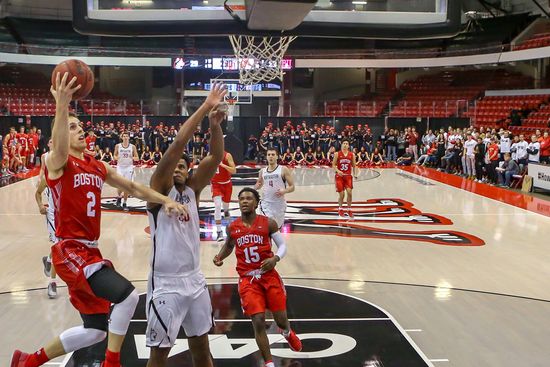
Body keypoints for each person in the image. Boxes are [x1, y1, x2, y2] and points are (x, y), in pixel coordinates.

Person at [11, 72, 188, 367]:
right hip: (69, 249)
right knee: (129, 297)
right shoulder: (57, 163)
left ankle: (29, 360)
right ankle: (112, 363)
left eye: (80, 126)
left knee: (94, 330)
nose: (79, 130)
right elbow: (57, 146)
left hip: (90, 250)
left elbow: (133, 187)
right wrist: (62, 106)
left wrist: (166, 199)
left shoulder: (97, 165)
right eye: (72, 127)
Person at [145, 84, 227, 367]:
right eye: (174, 166)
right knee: (158, 357)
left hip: (195, 279)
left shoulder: (193, 189)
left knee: (202, 350)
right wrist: (205, 108)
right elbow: (178, 144)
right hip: (165, 285)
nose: (177, 169)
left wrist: (215, 125)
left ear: (188, 170)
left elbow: (215, 158)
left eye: (183, 166)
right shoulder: (158, 190)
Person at [213, 188, 302, 367]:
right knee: (258, 320)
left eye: (248, 198)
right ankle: (268, 363)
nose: (244, 201)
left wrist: (275, 258)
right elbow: (229, 246)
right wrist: (220, 257)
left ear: (256, 203)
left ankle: (286, 332)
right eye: (241, 199)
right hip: (247, 280)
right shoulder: (233, 227)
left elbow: (282, 246)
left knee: (280, 320)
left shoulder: (268, 223)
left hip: (268, 276)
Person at [34, 139, 58, 298]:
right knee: (58, 246)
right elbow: (37, 193)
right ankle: (52, 283)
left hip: (66, 213)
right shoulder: (47, 175)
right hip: (53, 214)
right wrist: (40, 206)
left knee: (62, 246)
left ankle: (48, 259)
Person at [255, 148, 295, 228]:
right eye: (269, 155)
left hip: (279, 204)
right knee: (268, 226)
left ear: (277, 157)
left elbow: (292, 187)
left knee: (277, 229)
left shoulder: (283, 169)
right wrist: (256, 187)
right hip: (266, 204)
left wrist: (284, 191)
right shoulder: (262, 171)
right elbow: (258, 185)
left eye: (273, 155)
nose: (271, 157)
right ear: (266, 157)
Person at [211, 150, 237, 242]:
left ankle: (227, 214)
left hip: (227, 184)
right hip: (215, 184)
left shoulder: (227, 155)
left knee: (226, 208)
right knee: (217, 206)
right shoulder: (210, 154)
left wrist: (223, 165)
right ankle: (219, 231)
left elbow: (234, 170)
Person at [332, 139, 357, 219]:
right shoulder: (337, 154)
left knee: (349, 193)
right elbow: (333, 165)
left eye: (347, 143)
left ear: (349, 145)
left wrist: (355, 174)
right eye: (344, 143)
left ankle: (349, 209)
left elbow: (354, 165)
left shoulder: (352, 154)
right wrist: (338, 171)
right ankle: (340, 208)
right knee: (342, 194)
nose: (345, 145)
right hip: (339, 176)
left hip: (348, 176)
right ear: (341, 144)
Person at [114, 132, 139, 210]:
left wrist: (133, 158)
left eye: (126, 136)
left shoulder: (133, 147)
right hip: (120, 167)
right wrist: (116, 158)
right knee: (120, 184)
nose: (125, 137)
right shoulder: (118, 146)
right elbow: (114, 155)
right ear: (122, 137)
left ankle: (125, 202)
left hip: (129, 167)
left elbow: (137, 158)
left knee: (127, 186)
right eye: (124, 136)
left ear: (129, 137)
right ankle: (119, 197)